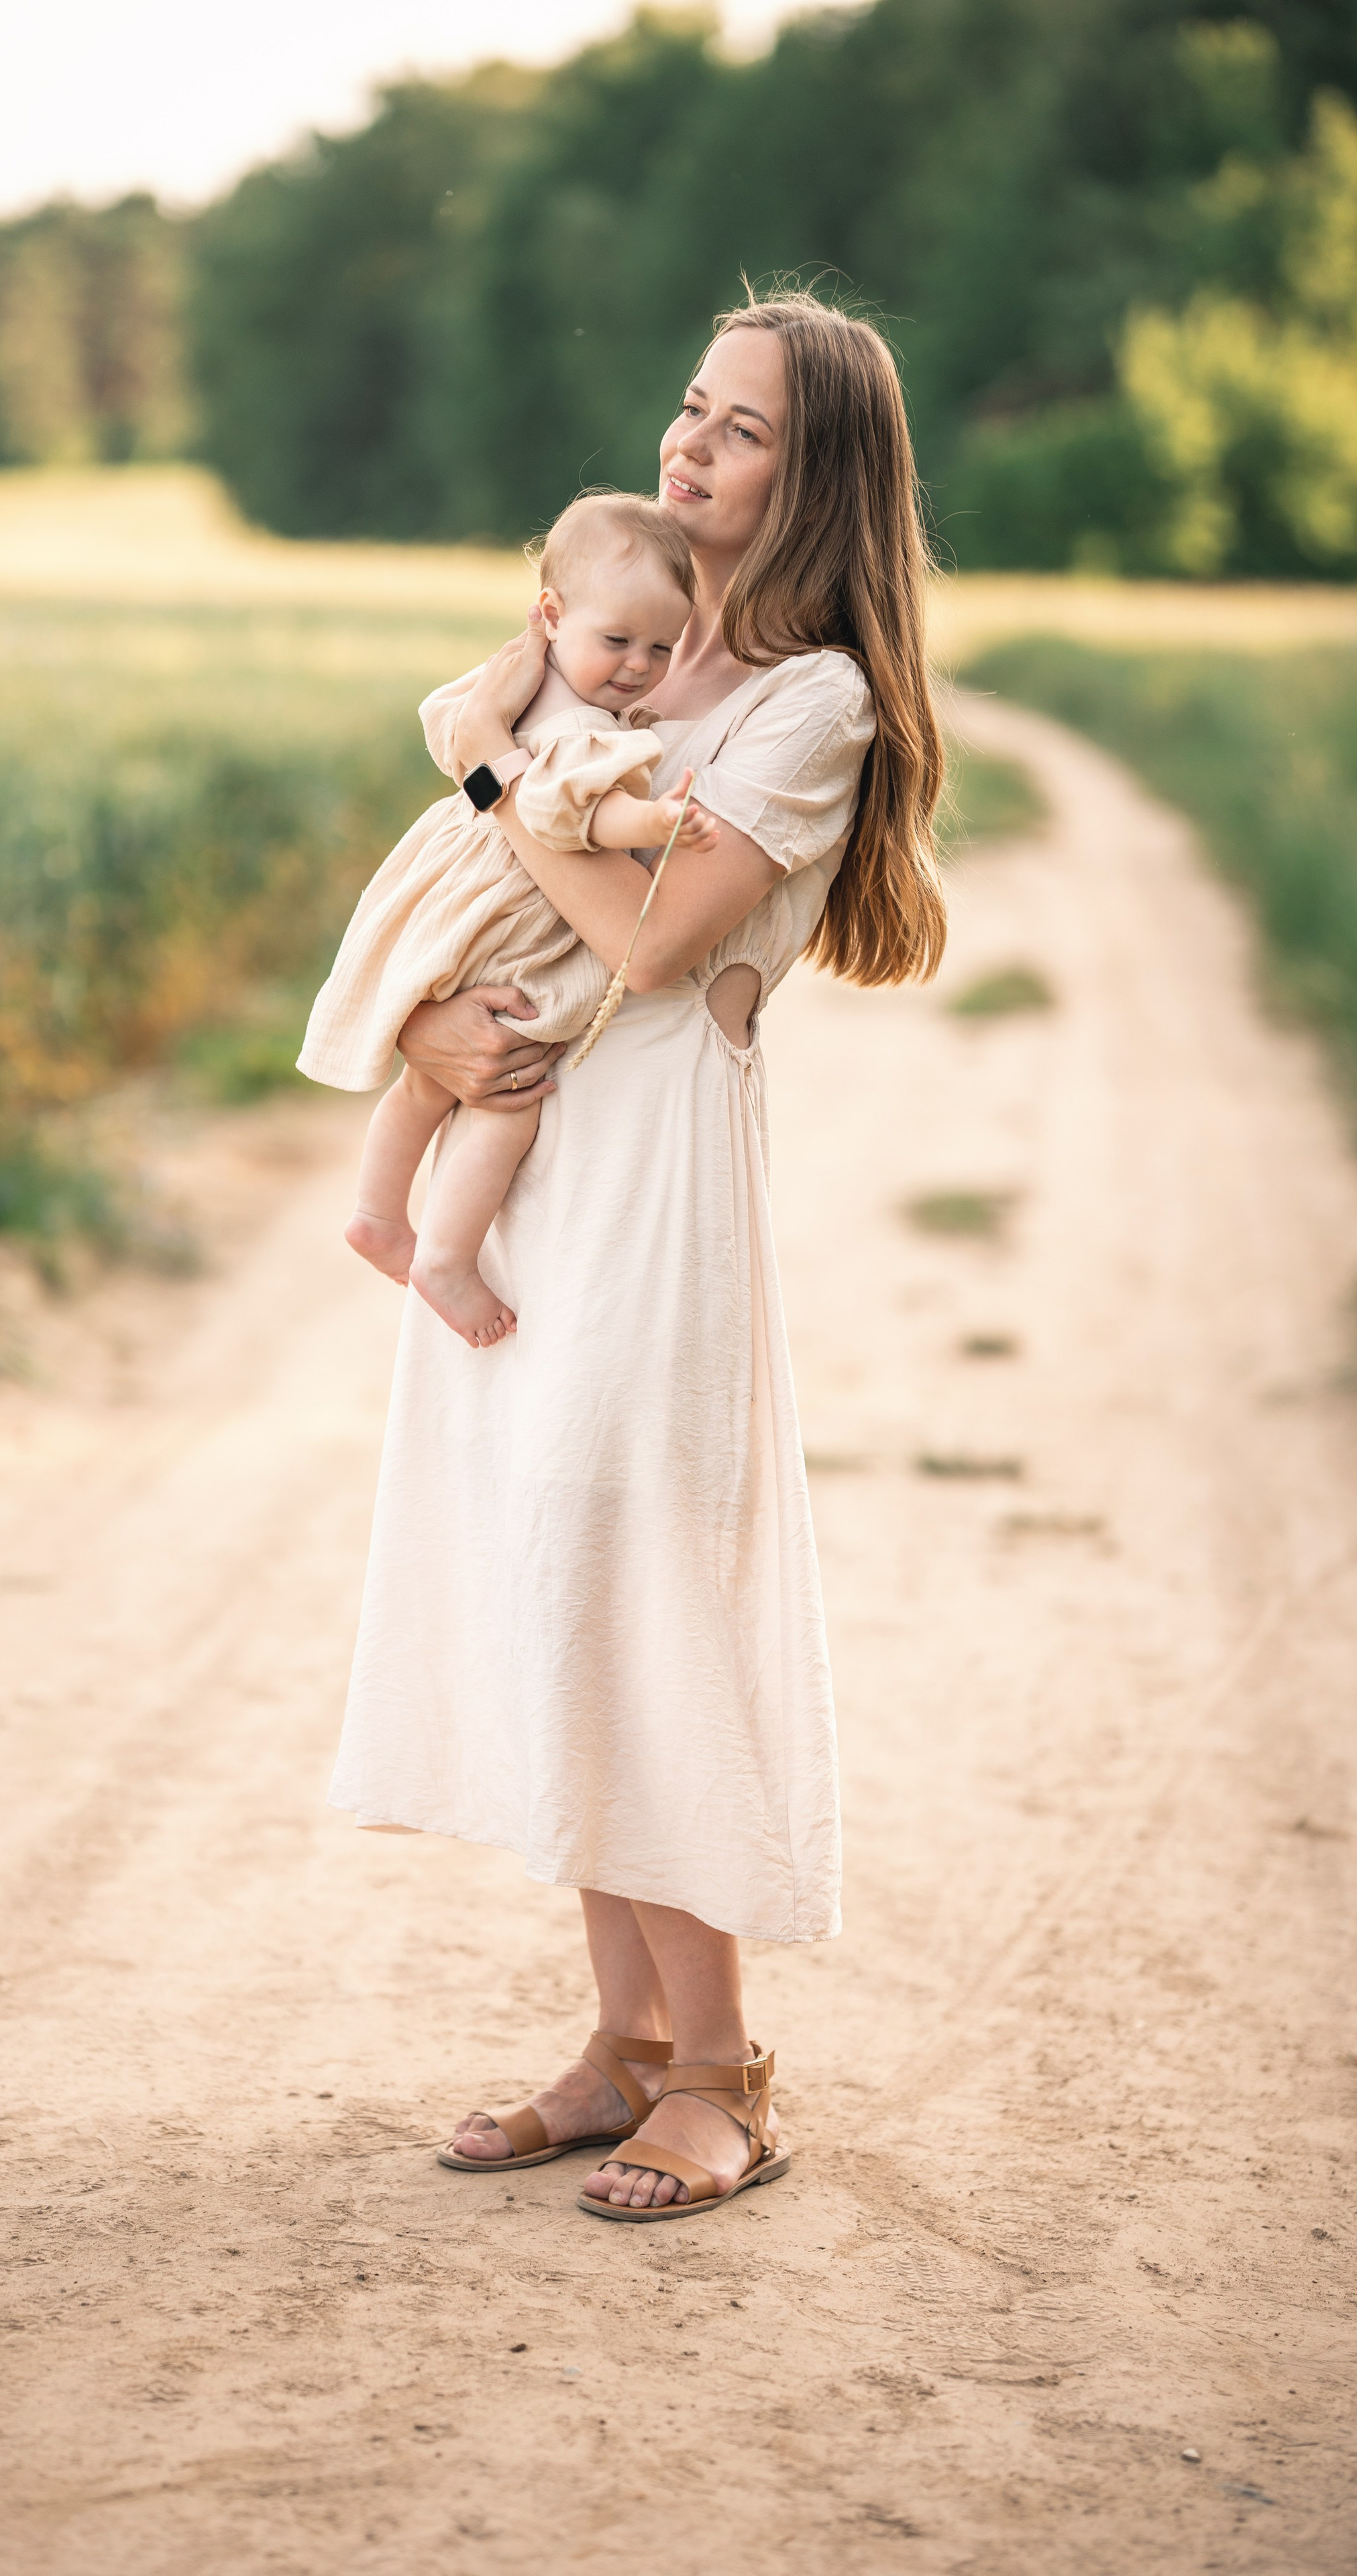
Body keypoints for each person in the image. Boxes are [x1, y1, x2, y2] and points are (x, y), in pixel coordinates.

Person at [329, 290, 947, 2221]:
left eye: (741, 428)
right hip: (529, 1146)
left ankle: (729, 2071)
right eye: (691, 409)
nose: (690, 446)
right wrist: (425, 1032)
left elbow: (650, 941)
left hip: (655, 1173)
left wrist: (497, 769)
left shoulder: (809, 700)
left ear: (819, 473)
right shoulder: (621, 639)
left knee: (646, 1578)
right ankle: (618, 2050)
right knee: (554, 1565)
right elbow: (484, 908)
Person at [299, 492, 715, 1348]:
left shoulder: (523, 680)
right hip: (513, 922)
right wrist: (655, 823)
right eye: (617, 642)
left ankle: (378, 1212)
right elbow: (573, 819)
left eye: (660, 649)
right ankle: (445, 1256)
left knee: (431, 1081)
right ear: (552, 615)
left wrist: (495, 732)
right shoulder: (583, 733)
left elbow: (455, 733)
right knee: (508, 1095)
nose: (637, 666)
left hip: (455, 900)